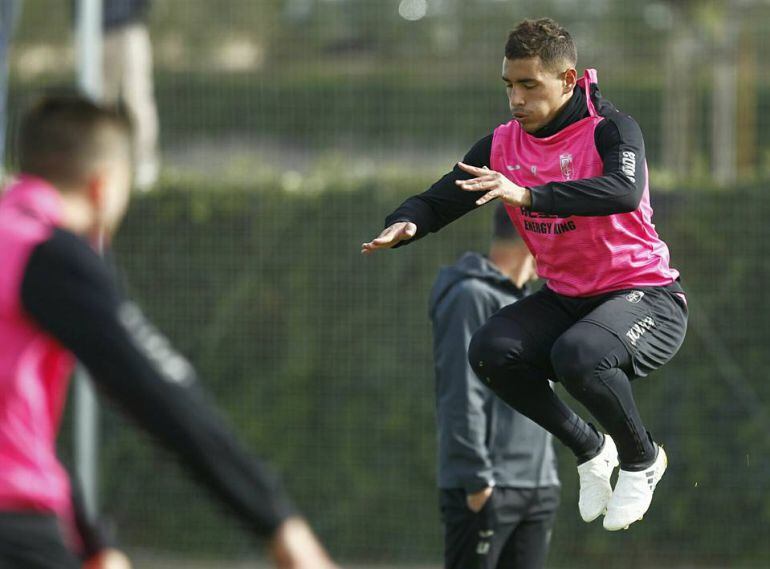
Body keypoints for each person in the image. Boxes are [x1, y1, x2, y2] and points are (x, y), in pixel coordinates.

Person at [362, 18, 688, 532]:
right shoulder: (500, 145)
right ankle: (592, 450)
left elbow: (621, 192)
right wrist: (407, 221)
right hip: (568, 298)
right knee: (491, 350)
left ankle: (643, 461)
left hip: (646, 298)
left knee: (578, 355)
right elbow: (443, 196)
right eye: (509, 85)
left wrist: (530, 195)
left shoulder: (612, 129)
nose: (515, 99)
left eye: (529, 85)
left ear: (567, 79)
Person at [0, 95, 336, 568]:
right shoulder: (47, 252)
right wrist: (280, 525)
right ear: (104, 186)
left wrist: (93, 542)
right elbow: (158, 391)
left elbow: (15, 429)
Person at [431, 203, 560, 569]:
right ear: (532, 235)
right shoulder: (468, 296)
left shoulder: (537, 301)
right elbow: (460, 391)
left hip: (538, 489)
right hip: (486, 490)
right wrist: (477, 480)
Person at [102, 0, 160, 191]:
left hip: (130, 25)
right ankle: (100, 161)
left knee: (137, 98)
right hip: (92, 29)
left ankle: (144, 161)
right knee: (98, 104)